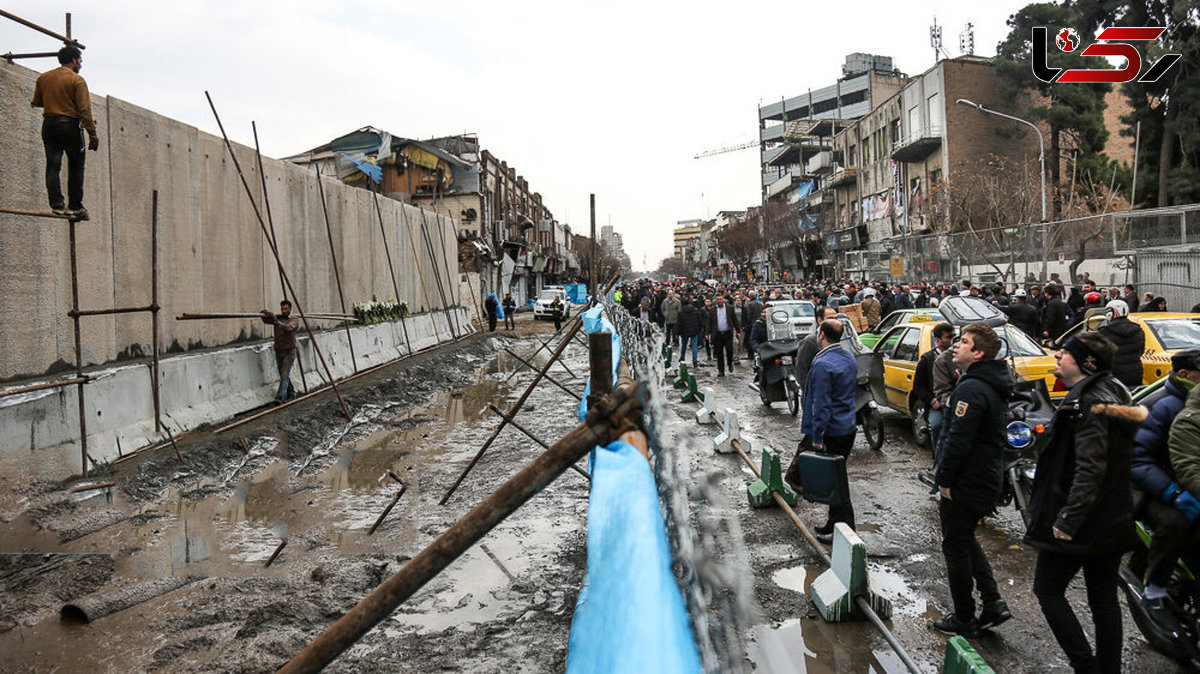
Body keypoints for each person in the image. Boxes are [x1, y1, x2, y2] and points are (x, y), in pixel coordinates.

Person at [1026, 333, 1142, 673]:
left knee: (1047, 591)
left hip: (1083, 520)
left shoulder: (1091, 404)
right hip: (1112, 516)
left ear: (1086, 362)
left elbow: (1090, 469)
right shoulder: (1114, 390)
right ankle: (1108, 668)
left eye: (1066, 353)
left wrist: (1067, 520)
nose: (1059, 356)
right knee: (1103, 598)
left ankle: (1085, 664)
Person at [932, 323, 1012, 637]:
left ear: (978, 353)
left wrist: (945, 480)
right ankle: (992, 602)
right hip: (983, 476)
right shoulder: (983, 381)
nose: (955, 345)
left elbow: (957, 441)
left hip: (968, 480)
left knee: (955, 546)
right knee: (965, 538)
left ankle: (964, 617)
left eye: (963, 342)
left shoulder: (971, 388)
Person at [1130, 349, 1200, 632]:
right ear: (1185, 375)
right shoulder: (1163, 406)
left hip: (1189, 483)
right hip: (1153, 489)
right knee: (1176, 523)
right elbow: (1136, 457)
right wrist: (1173, 492)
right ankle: (1155, 588)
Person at [793, 319, 859, 543]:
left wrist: (818, 437)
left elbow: (821, 404)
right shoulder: (848, 357)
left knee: (837, 484)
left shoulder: (823, 364)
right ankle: (833, 523)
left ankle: (846, 531)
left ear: (821, 335)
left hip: (832, 430)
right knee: (836, 479)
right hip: (848, 426)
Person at [31, 45, 98, 221]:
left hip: (49, 124)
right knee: (76, 166)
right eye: (80, 61)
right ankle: (75, 206)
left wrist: (55, 100)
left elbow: (37, 102)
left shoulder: (43, 78)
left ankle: (57, 205)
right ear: (74, 60)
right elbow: (84, 109)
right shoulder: (77, 80)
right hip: (68, 125)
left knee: (53, 165)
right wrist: (92, 133)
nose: (81, 65)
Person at [911, 322, 954, 447]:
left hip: (956, 402)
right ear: (938, 341)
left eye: (954, 336)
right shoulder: (927, 360)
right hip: (938, 405)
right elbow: (918, 387)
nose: (952, 341)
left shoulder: (959, 356)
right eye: (948, 337)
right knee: (937, 426)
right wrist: (932, 400)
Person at [261, 300, 301, 404]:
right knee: (284, 374)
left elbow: (288, 328)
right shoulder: (278, 318)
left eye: (285, 309)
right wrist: (264, 314)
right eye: (282, 309)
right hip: (279, 350)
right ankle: (291, 392)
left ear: (290, 309)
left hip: (290, 351)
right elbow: (266, 321)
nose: (283, 311)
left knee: (284, 374)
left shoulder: (294, 320)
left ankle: (280, 397)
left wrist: (276, 321)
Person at [1097, 300, 1145, 388]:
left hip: (1114, 374)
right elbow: (1141, 351)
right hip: (1135, 373)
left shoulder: (1104, 331)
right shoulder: (1138, 330)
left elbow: (1100, 355)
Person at [795, 306, 838, 394]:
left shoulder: (840, 338)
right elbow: (802, 370)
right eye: (830, 318)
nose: (834, 321)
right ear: (820, 320)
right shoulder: (810, 341)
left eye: (835, 318)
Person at [707, 294, 741, 377]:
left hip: (728, 333)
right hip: (718, 334)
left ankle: (730, 363)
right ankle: (721, 370)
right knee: (719, 353)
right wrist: (707, 333)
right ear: (716, 300)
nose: (719, 301)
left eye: (720, 299)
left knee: (729, 350)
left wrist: (738, 331)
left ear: (723, 300)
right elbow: (709, 322)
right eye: (718, 299)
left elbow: (734, 320)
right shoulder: (712, 310)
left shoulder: (729, 308)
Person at [677, 296, 703, 368]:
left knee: (684, 345)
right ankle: (694, 360)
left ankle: (682, 358)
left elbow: (679, 323)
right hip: (694, 330)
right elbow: (700, 321)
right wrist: (699, 329)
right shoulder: (695, 310)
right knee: (694, 346)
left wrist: (677, 332)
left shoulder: (681, 312)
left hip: (684, 331)